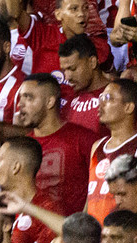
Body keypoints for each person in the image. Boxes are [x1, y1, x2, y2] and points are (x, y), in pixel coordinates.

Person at [13, 73, 99, 215]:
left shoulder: (83, 139)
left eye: (29, 97)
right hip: (27, 232)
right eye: (21, 97)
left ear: (50, 102)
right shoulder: (22, 147)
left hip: (70, 232)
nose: (20, 104)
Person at [86, 78, 137, 221]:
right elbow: (91, 196)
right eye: (101, 97)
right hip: (97, 234)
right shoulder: (97, 146)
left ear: (128, 107)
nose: (100, 103)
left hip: (124, 232)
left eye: (108, 98)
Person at [59, 35, 111, 134]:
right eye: (64, 70)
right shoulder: (70, 101)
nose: (67, 77)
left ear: (92, 62)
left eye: (73, 69)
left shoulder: (117, 97)